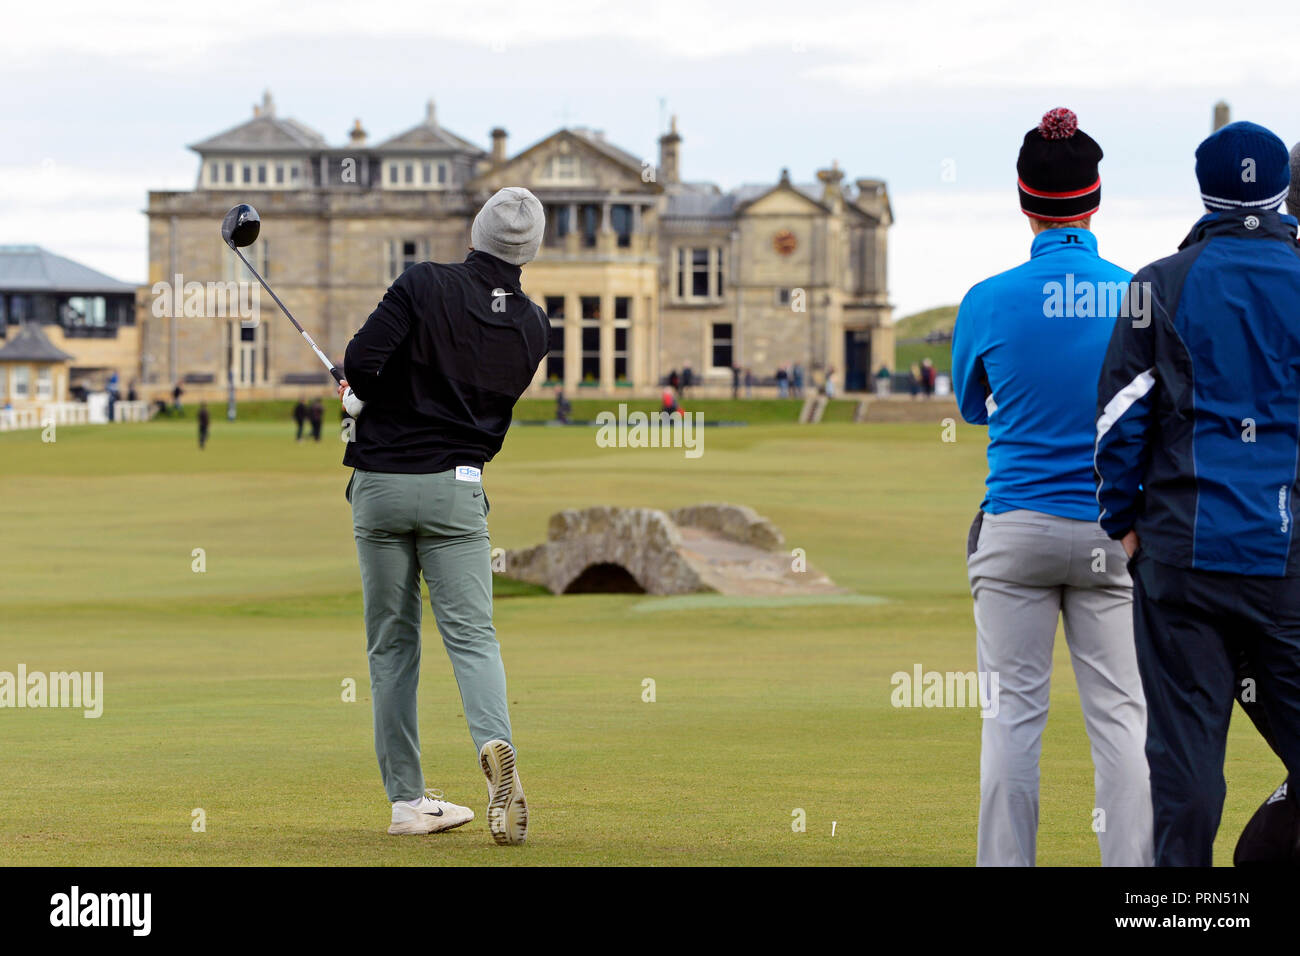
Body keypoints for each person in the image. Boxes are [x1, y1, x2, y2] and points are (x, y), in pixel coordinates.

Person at [1095, 120, 1300, 867]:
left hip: (1179, 553)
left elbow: (1119, 417)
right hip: (1284, 560)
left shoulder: (1159, 282)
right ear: (1280, 190)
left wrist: (1121, 521)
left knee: (1186, 761)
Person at [952, 107, 1151, 867]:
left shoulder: (988, 297)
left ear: (1024, 200)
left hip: (1015, 529)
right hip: (1113, 532)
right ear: (1094, 199)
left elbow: (973, 405)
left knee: (1010, 722)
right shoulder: (1138, 293)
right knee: (1123, 722)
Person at [338, 186, 549, 846]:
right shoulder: (533, 326)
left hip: (382, 485)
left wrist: (359, 397)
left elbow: (361, 364)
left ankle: (407, 801)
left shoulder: (423, 283)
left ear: (475, 233)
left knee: (392, 644)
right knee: (473, 637)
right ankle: (494, 749)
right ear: (530, 251)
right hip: (458, 487)